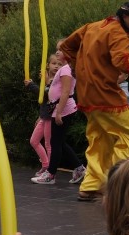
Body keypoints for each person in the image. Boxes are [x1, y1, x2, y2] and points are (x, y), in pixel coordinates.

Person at [60, 1, 129, 202]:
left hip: (87, 95)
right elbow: (123, 61)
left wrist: (80, 68)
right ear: (125, 16)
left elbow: (66, 47)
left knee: (100, 140)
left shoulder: (92, 27)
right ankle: (120, 184)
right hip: (106, 96)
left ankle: (91, 186)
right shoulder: (117, 32)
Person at [32, 44, 86, 186]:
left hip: (63, 109)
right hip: (60, 108)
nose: (57, 52)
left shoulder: (67, 70)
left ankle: (50, 174)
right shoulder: (65, 69)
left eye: (60, 50)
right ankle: (79, 168)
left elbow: (65, 92)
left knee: (55, 143)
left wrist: (59, 112)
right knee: (59, 142)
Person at [24, 53, 60, 177]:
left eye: (59, 64)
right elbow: (44, 101)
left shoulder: (57, 81)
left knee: (49, 144)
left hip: (51, 117)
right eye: (54, 63)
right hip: (44, 116)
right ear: (48, 65)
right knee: (34, 140)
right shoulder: (47, 79)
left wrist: (31, 85)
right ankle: (45, 165)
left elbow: (46, 95)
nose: (56, 66)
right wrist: (40, 116)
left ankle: (50, 171)